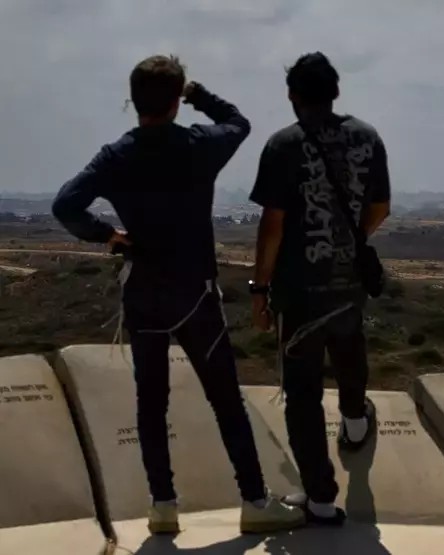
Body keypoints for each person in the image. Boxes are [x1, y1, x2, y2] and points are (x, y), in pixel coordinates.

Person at [51, 55, 305, 535]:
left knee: (151, 401)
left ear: (133, 99)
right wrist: (199, 94)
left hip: (144, 293)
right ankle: (253, 499)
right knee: (225, 399)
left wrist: (107, 235)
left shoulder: (116, 155)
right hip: (195, 293)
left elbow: (65, 204)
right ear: (174, 100)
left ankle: (163, 505)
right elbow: (239, 123)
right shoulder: (198, 144)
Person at [248, 52, 391, 525]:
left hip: (299, 289)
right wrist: (352, 241)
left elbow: (273, 225)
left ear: (293, 96)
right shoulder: (368, 138)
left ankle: (322, 500)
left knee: (303, 393)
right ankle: (354, 421)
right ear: (335, 92)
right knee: (350, 350)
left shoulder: (282, 145)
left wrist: (259, 287)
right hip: (348, 280)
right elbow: (381, 206)